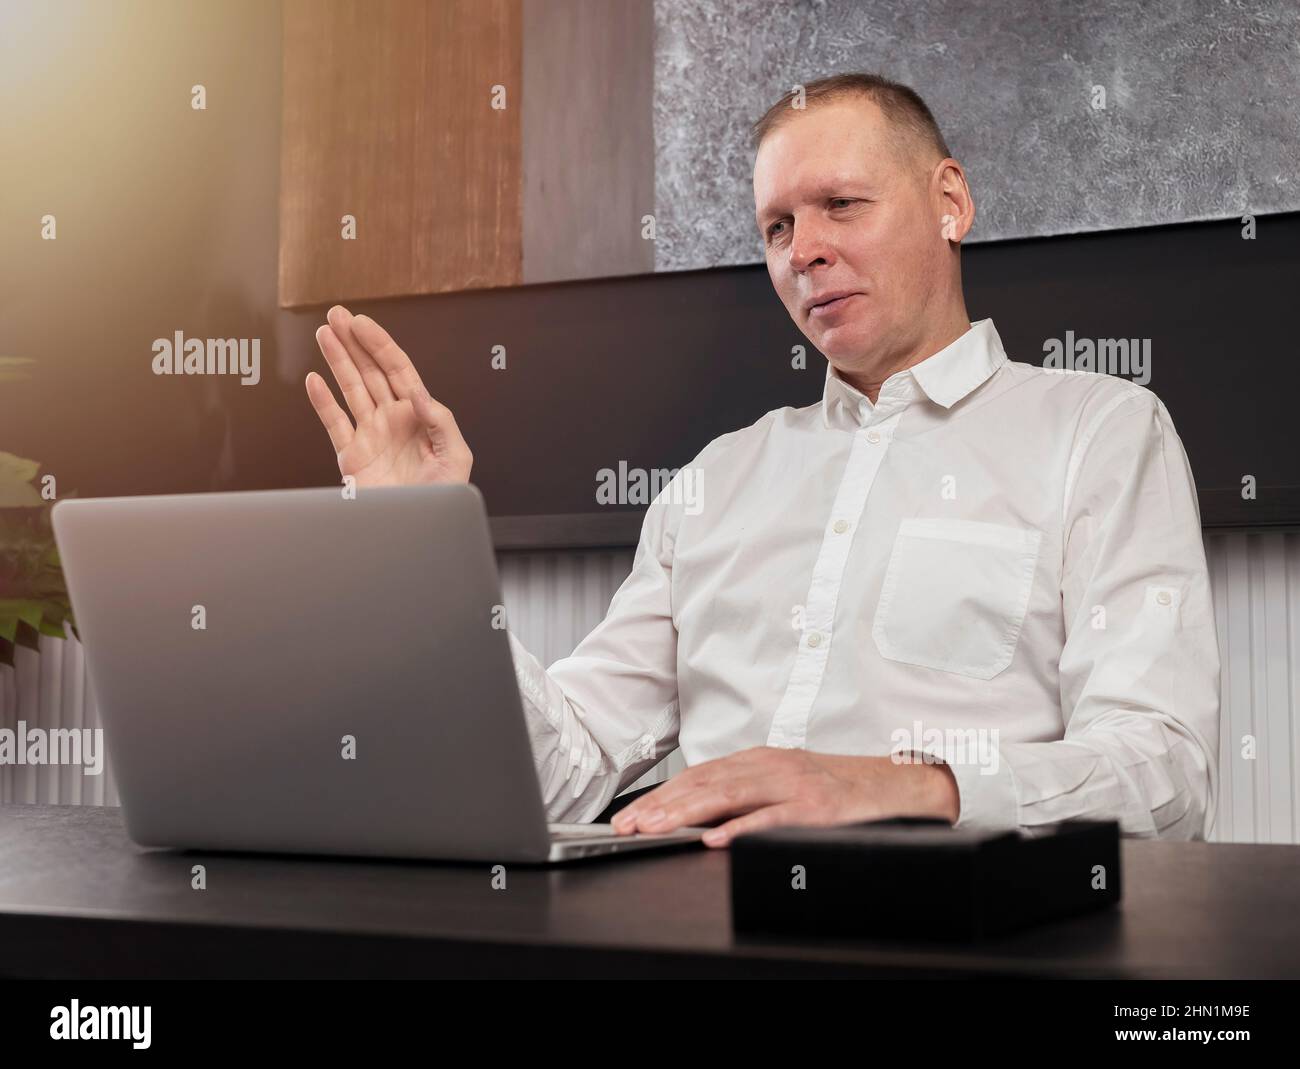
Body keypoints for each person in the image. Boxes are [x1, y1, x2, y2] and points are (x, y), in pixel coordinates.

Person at [304, 73, 1220, 849]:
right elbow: (562, 776)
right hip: (696, 938)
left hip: (953, 937)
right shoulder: (715, 480)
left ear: (951, 201)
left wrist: (899, 785)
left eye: (842, 205)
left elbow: (1164, 774)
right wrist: (422, 545)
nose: (806, 251)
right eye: (777, 227)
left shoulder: (1100, 430)